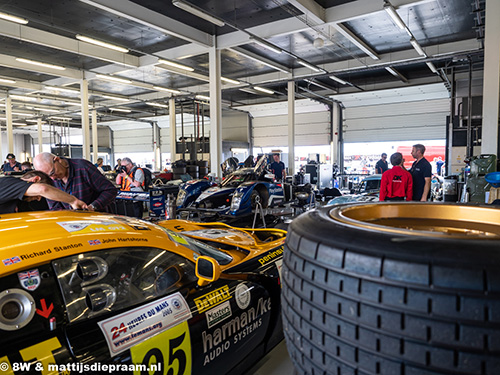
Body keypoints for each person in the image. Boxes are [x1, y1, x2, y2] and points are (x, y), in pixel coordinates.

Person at [33, 152, 117, 211]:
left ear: (58, 160)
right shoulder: (49, 180)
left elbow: (110, 190)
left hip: (97, 221)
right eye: (48, 176)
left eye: (52, 172)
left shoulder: (83, 168)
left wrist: (93, 206)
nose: (53, 178)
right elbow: (55, 207)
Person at [0, 170, 87, 214]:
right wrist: (73, 201)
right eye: (40, 195)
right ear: (36, 179)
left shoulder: (19, 199)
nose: (39, 198)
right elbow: (42, 189)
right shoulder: (10, 183)